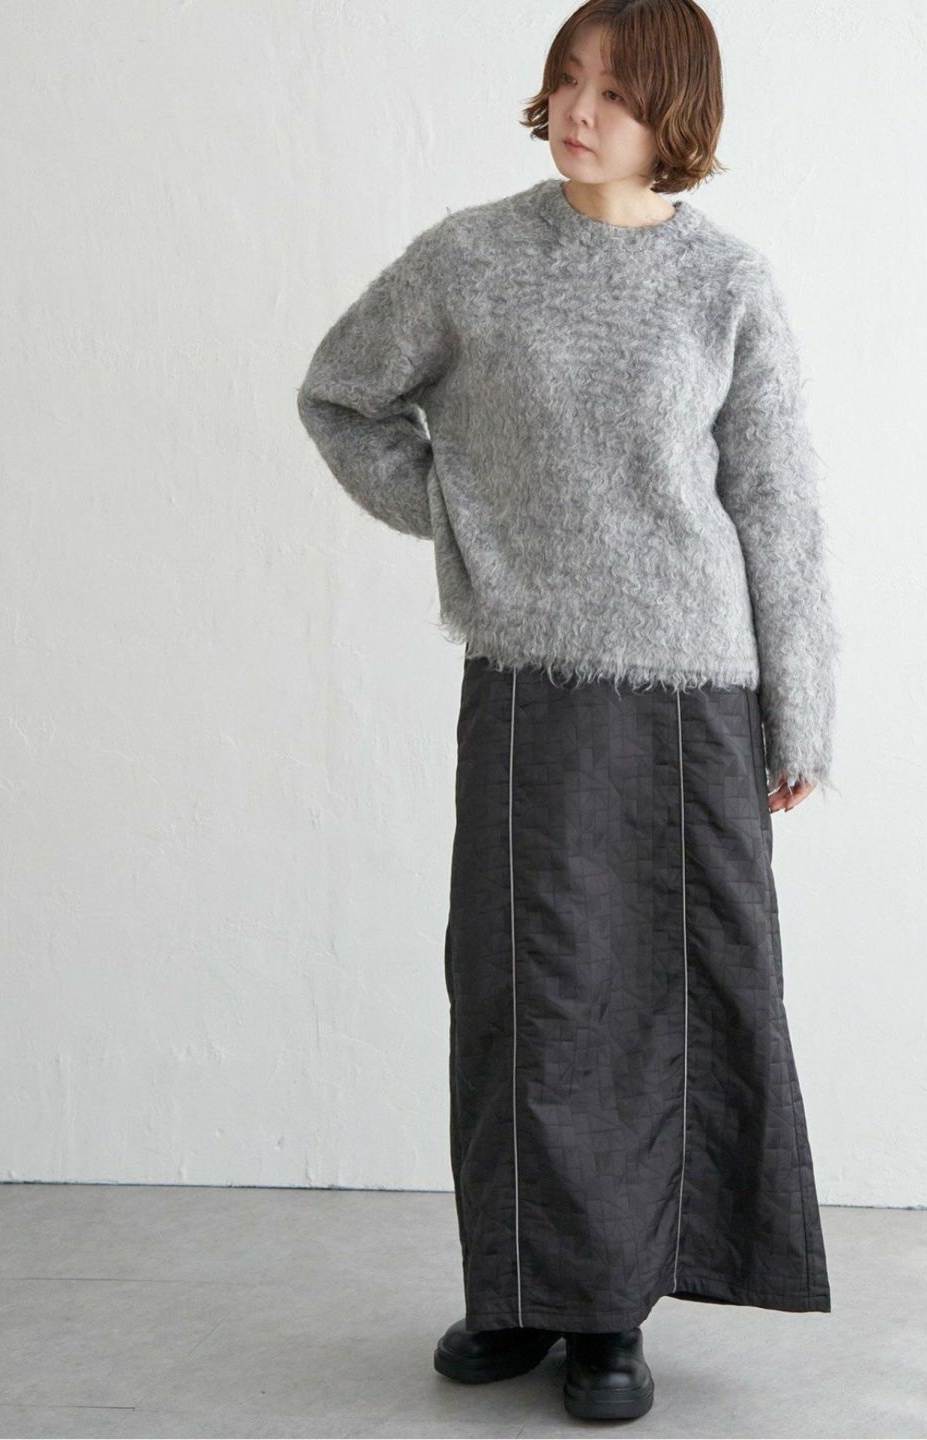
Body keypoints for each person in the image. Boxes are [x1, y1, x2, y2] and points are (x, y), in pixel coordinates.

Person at [296, 0, 840, 1422]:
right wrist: (464, 522)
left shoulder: (728, 284)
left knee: (670, 1002)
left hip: (695, 697)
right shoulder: (470, 260)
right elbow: (343, 398)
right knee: (521, 997)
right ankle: (522, 1288)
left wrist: (802, 709)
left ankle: (612, 1313)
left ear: (678, 114)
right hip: (531, 685)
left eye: (617, 90)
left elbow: (775, 502)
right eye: (567, 79)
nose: (581, 110)